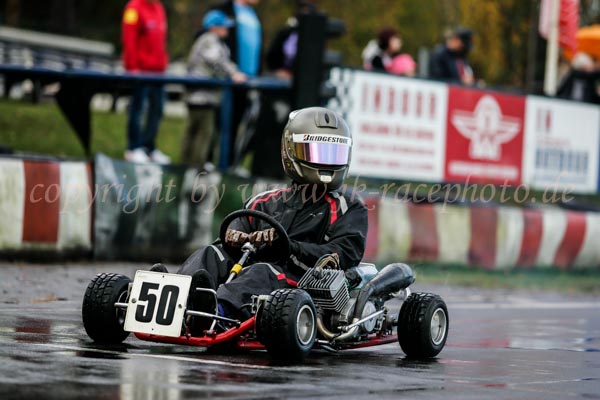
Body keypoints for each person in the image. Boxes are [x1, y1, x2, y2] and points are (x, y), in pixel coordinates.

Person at [173, 107, 368, 324]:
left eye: (334, 154)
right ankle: (176, 300)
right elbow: (235, 234)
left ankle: (215, 313)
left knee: (263, 271)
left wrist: (290, 247)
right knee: (210, 254)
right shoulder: (264, 201)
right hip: (254, 276)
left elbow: (343, 255)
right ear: (290, 151)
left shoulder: (349, 207)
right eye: (316, 152)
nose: (326, 162)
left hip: (305, 283)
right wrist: (236, 237)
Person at [182, 10, 246, 169]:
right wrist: (233, 73)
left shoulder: (210, 40)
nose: (226, 29)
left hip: (202, 95)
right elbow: (216, 60)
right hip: (201, 96)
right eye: (223, 26)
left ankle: (187, 167)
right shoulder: (209, 39)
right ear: (213, 27)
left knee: (195, 132)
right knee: (202, 133)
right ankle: (195, 168)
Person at [209, 0, 262, 167]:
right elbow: (209, 38)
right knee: (216, 123)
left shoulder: (253, 15)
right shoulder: (223, 9)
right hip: (227, 79)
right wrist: (229, 71)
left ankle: (230, 165)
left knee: (237, 123)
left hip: (247, 81)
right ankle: (207, 162)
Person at [121, 0, 171, 164]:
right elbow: (129, 38)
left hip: (158, 72)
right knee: (138, 108)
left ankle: (148, 146)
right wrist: (132, 67)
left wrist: (163, 62)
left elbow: (161, 40)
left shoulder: (158, 8)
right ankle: (133, 147)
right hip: (141, 71)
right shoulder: (134, 8)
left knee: (157, 109)